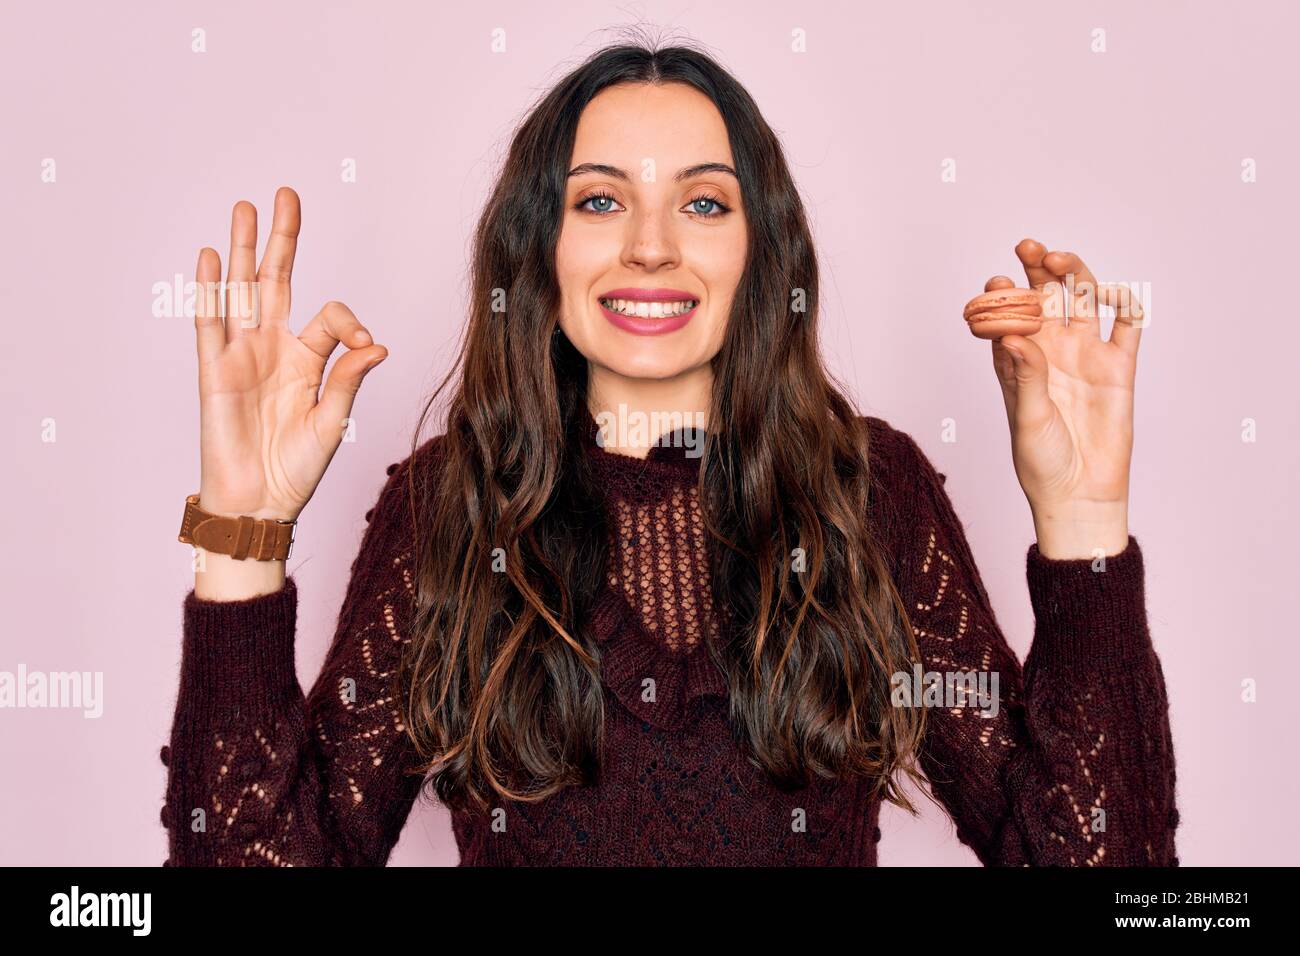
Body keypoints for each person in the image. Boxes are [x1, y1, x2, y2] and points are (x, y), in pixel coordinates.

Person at [161, 41, 1177, 867]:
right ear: (540, 249)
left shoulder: (866, 496)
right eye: (599, 199)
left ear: (760, 250)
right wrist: (241, 538)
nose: (651, 244)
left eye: (702, 201)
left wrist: (1083, 517)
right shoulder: (455, 509)